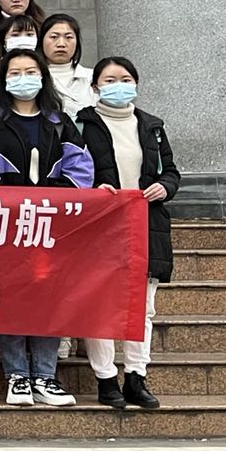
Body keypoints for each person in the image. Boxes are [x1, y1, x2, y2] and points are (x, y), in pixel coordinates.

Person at [0, 48, 94, 407]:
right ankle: (17, 376)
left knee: (49, 298)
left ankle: (46, 376)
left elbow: (81, 171)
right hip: (7, 227)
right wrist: (15, 203)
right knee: (12, 299)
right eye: (15, 72)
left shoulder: (59, 121)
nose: (23, 79)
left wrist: (50, 199)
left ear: (42, 77)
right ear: (4, 80)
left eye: (30, 71)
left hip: (52, 228)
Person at [78, 57, 178, 411]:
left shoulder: (152, 126)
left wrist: (165, 187)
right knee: (99, 306)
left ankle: (136, 376)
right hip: (100, 226)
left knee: (142, 308)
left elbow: (171, 171)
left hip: (146, 224)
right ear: (95, 87)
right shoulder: (81, 125)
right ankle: (106, 378)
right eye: (109, 80)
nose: (118, 85)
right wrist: (93, 190)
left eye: (125, 79)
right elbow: (71, 172)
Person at [0, 14, 43, 98]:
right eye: (15, 35)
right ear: (3, 40)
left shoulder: (44, 69)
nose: (23, 38)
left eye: (29, 34)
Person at [40, 14, 95, 114]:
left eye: (68, 37)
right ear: (41, 41)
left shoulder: (92, 77)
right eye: (54, 37)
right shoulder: (33, 78)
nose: (61, 44)